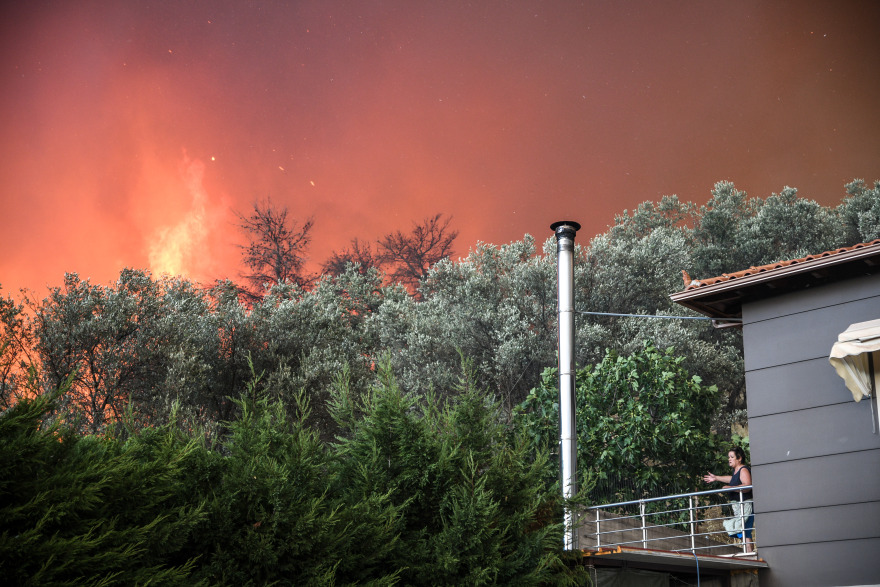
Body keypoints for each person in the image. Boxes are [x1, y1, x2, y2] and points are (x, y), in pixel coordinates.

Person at [703, 447, 754, 552]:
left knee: (745, 531)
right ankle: (747, 552)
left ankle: (749, 554)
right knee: (741, 530)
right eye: (728, 457)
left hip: (745, 505)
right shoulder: (736, 471)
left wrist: (729, 488)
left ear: (739, 458)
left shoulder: (743, 469)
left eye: (732, 457)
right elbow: (731, 479)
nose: (729, 459)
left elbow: (747, 485)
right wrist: (716, 478)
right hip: (738, 507)